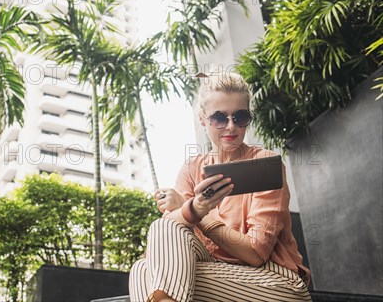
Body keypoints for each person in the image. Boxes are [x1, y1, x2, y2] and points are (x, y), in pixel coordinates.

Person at [129, 71, 311, 302]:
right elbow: (164, 243)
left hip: (274, 282)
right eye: (219, 118)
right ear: (203, 118)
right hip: (217, 276)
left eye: (241, 117)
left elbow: (256, 254)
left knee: (149, 272)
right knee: (145, 264)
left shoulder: (264, 164)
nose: (231, 126)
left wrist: (195, 210)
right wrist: (191, 209)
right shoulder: (191, 168)